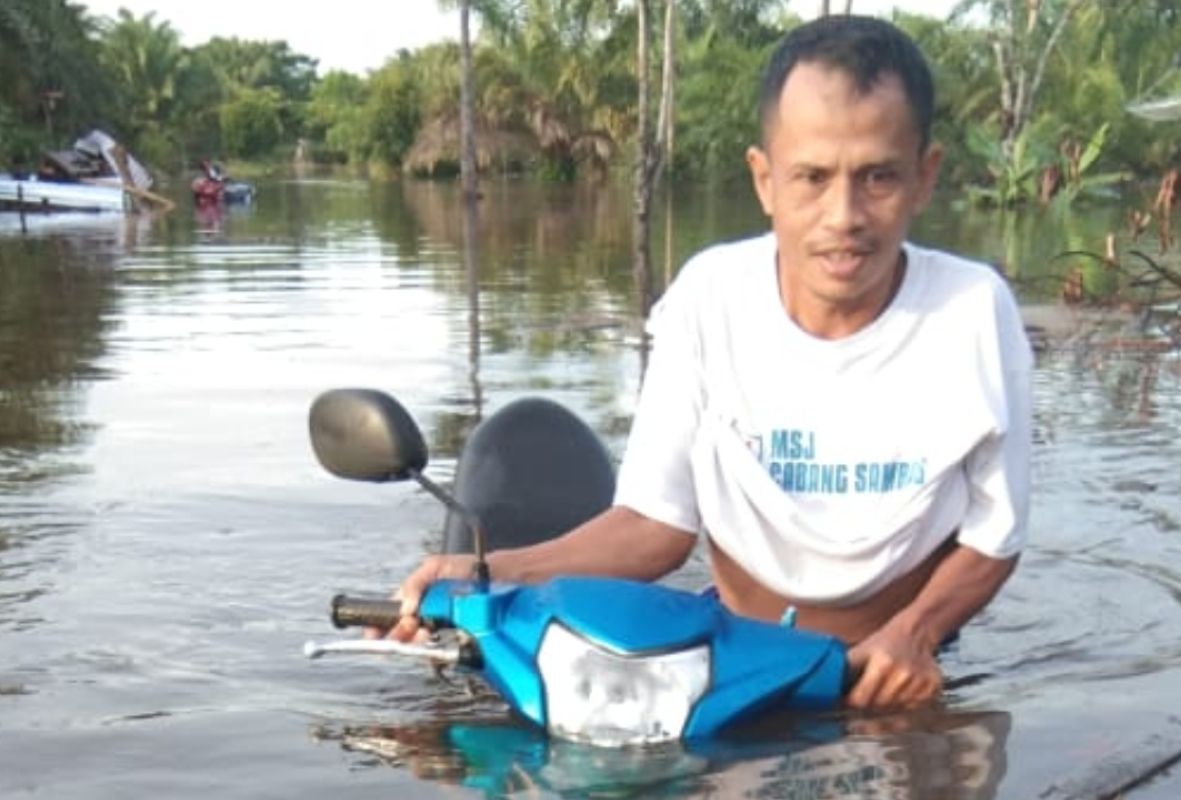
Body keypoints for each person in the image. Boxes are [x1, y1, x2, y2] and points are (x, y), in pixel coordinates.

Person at [381, 14, 1033, 711]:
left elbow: (995, 538)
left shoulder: (972, 312)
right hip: (729, 671)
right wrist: (484, 573)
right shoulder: (710, 298)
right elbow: (653, 528)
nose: (843, 214)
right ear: (764, 180)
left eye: (878, 177)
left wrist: (916, 633)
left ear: (924, 176)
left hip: (892, 681)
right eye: (811, 177)